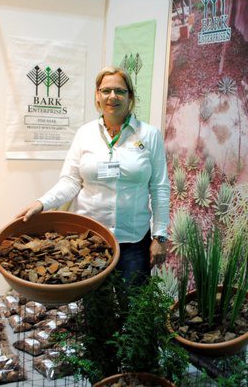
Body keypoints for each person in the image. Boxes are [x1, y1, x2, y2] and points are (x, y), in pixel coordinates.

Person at [16, 66, 170, 284]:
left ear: (130, 96)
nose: (112, 96)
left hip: (134, 241)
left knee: (134, 302)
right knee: (96, 303)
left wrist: (160, 236)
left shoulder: (150, 135)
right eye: (106, 90)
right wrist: (42, 203)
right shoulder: (84, 134)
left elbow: (160, 187)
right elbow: (70, 181)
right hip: (90, 240)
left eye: (120, 91)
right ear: (97, 96)